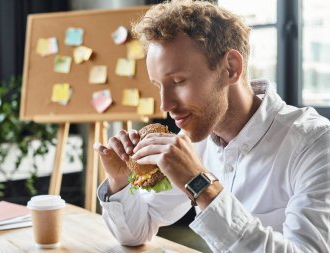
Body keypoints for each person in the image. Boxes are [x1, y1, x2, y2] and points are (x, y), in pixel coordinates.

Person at [93, 1, 330, 252]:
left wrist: (201, 186)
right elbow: (136, 232)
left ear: (231, 68)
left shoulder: (315, 144)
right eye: (158, 85)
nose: (165, 105)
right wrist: (119, 181)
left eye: (178, 81)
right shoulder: (194, 142)